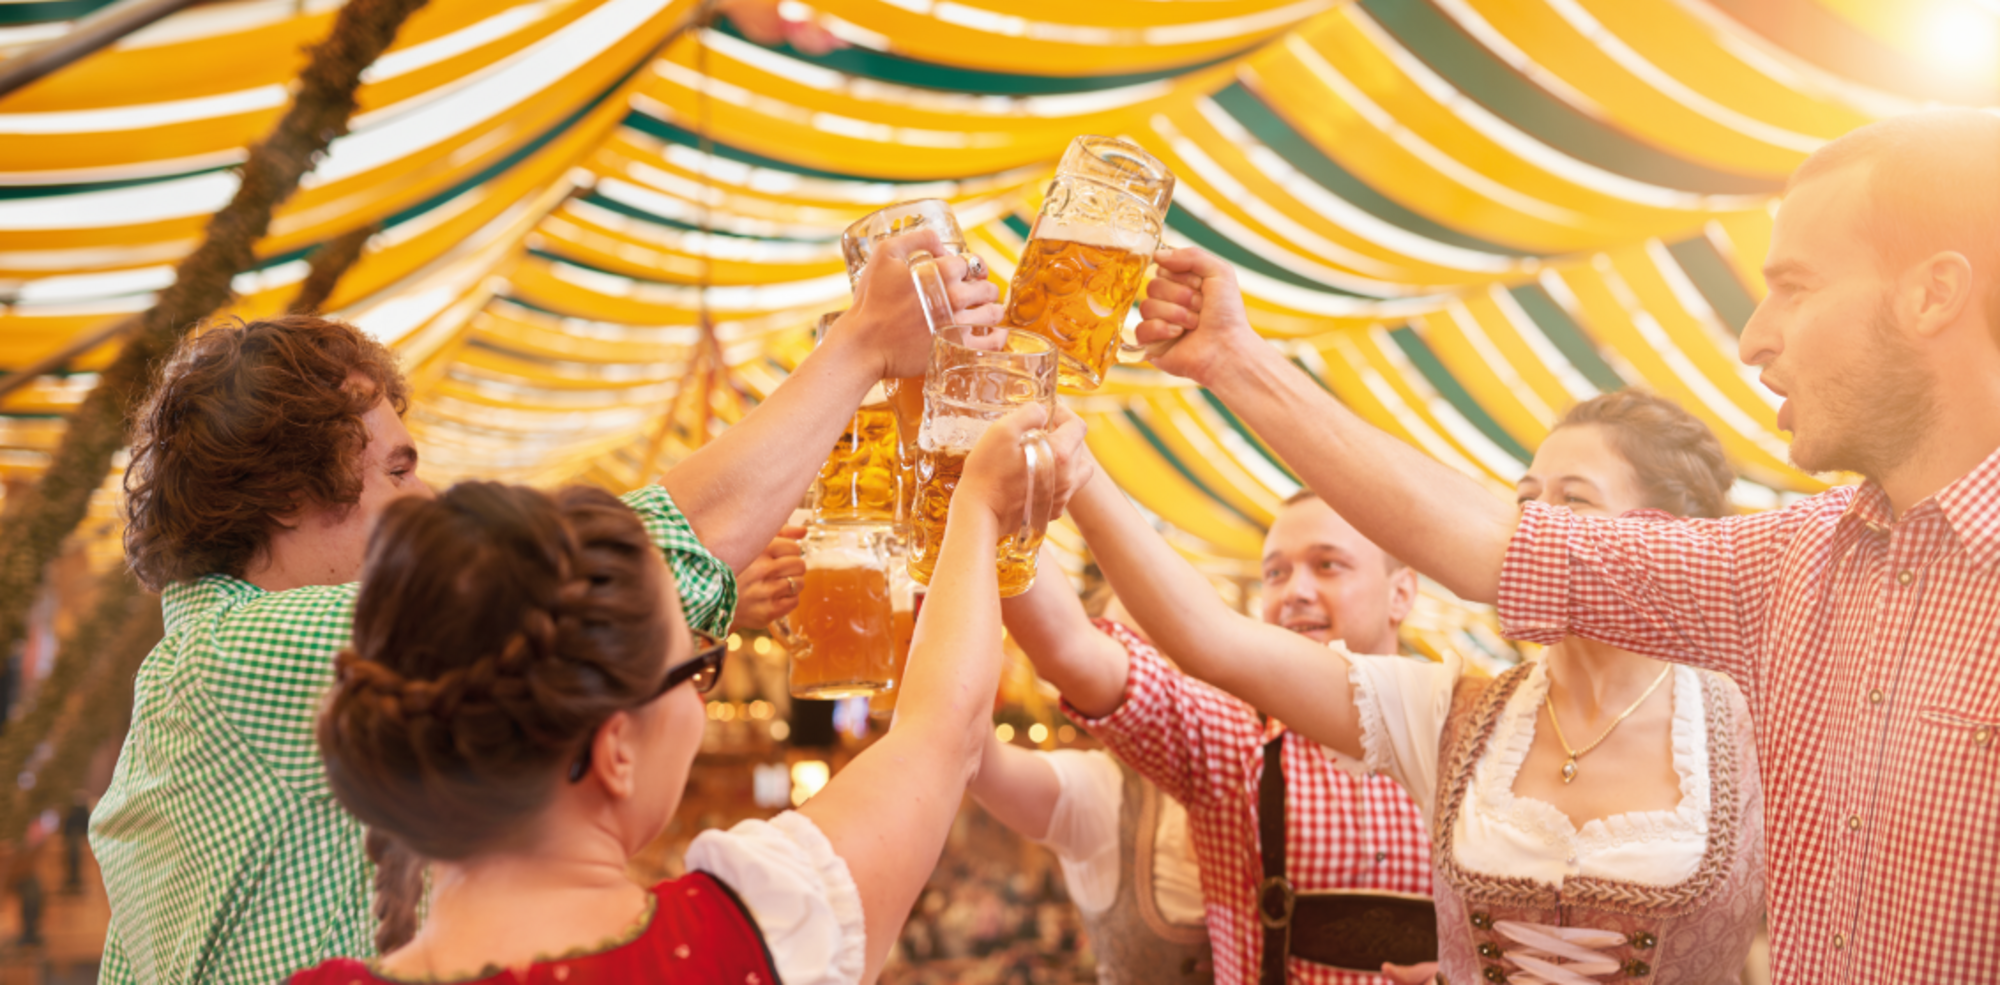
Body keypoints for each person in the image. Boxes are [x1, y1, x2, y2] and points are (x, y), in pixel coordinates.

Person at [1129, 110, 2000, 983]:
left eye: (1798, 287)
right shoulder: (1795, 561)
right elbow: (1498, 545)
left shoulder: (1735, 691)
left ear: (1933, 294)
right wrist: (1235, 359)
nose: (1753, 337)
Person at [91, 231, 999, 984]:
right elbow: (604, 564)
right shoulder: (230, 658)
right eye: (398, 470)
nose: (430, 498)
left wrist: (683, 627)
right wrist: (862, 347)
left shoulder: (212, 678)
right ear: (286, 497)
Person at [290, 402, 1086, 983]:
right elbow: (941, 731)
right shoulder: (756, 930)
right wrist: (977, 505)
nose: (702, 701)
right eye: (694, 668)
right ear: (614, 749)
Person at [1077, 391, 1766, 984]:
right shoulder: (1458, 713)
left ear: (1669, 538)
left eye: (1572, 499)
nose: (1532, 524)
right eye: (1526, 500)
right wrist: (1075, 469)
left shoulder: (1753, 729)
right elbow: (1211, 639)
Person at [995, 494, 1435, 984]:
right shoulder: (1238, 741)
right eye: (1275, 573)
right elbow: (1072, 652)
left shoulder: (1463, 743)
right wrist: (1002, 501)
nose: (1295, 591)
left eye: (1327, 565)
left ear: (1401, 593)